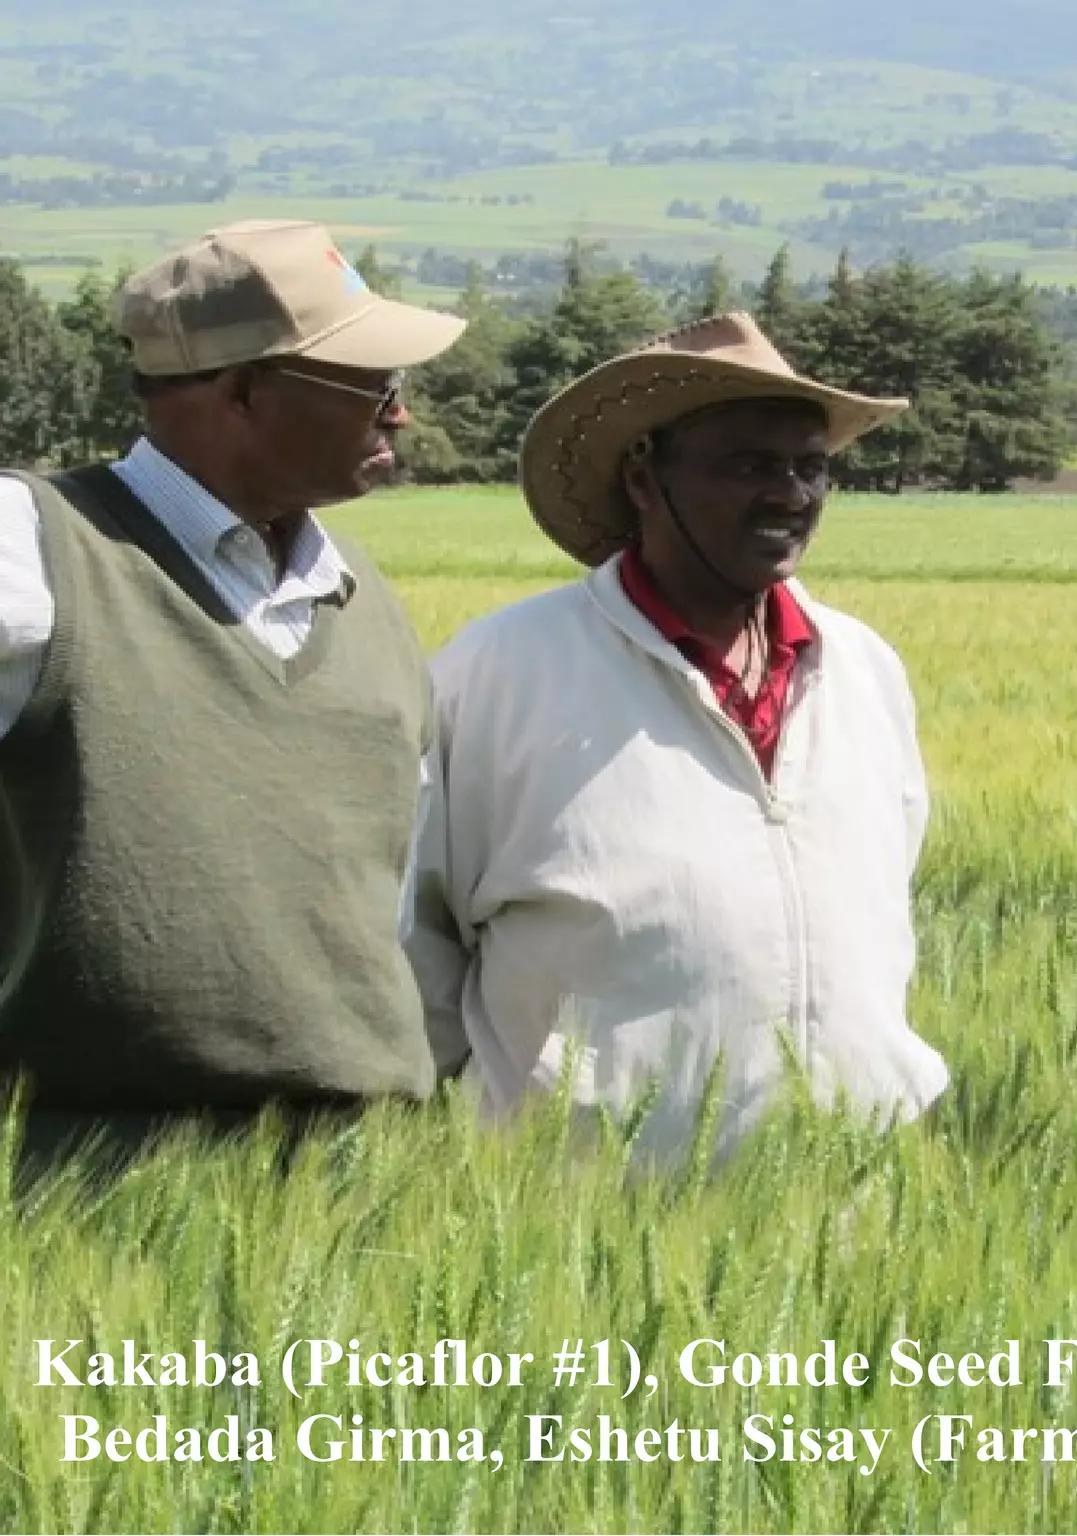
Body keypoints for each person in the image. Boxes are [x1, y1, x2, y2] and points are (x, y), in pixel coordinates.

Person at [405, 313, 947, 1163]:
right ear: (644, 478)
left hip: (855, 1210)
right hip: (580, 1225)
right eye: (748, 465)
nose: (792, 495)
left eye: (812, 468)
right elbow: (417, 948)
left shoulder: (864, 670)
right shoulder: (500, 672)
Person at [0, 219, 469, 1168]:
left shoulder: (362, 598)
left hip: (355, 1195)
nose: (399, 413)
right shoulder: (32, 551)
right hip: (84, 1186)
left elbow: (392, 910)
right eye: (371, 383)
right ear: (243, 391)